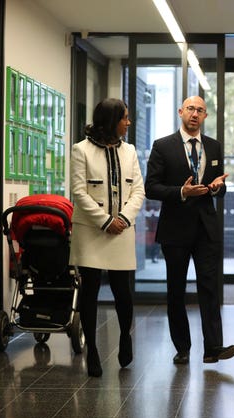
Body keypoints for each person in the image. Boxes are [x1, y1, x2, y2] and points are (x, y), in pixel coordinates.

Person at [145, 96, 234, 365]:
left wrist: (220, 188)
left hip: (206, 228)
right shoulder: (163, 146)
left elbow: (218, 187)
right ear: (180, 112)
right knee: (176, 290)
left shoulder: (213, 146)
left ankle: (213, 348)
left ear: (205, 116)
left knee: (209, 288)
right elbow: (151, 187)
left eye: (200, 110)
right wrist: (181, 192)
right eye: (190, 109)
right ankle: (182, 347)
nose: (194, 114)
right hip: (175, 229)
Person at [70, 98, 145, 377]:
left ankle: (125, 336)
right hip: (91, 229)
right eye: (124, 117)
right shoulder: (81, 150)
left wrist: (123, 219)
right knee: (89, 290)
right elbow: (79, 192)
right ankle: (93, 351)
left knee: (122, 291)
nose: (128, 122)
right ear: (111, 120)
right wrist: (104, 221)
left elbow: (138, 190)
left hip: (122, 230)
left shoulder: (131, 151)